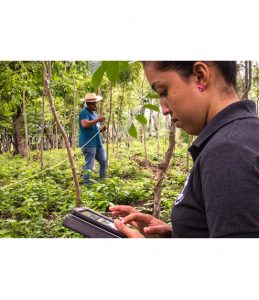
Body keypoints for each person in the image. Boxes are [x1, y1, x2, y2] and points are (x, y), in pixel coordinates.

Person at [109, 61, 259, 238]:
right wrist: (180, 233)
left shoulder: (228, 151)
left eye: (163, 92)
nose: (164, 109)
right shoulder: (243, 135)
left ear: (200, 76)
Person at [79, 93, 107, 184]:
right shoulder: (83, 113)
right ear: (88, 104)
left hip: (98, 143)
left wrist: (102, 128)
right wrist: (98, 120)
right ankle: (87, 186)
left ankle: (102, 182)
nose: (95, 105)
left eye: (95, 103)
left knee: (104, 161)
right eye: (94, 103)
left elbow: (95, 128)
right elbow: (85, 124)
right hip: (89, 144)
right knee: (89, 165)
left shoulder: (94, 114)